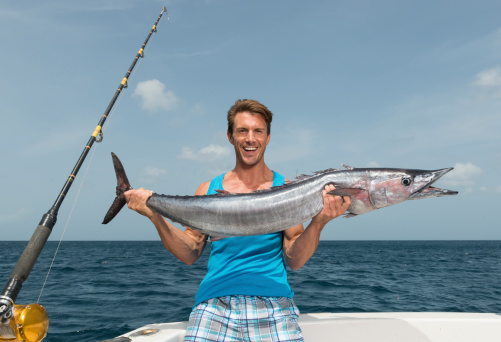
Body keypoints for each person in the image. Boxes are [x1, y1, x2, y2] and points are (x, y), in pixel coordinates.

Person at [125, 99, 351, 341]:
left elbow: (294, 260)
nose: (250, 138)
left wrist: (318, 222)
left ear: (268, 137)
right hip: (214, 303)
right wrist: (155, 216)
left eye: (258, 131)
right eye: (242, 131)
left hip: (274, 303)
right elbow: (190, 252)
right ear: (230, 136)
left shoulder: (286, 189)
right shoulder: (208, 189)